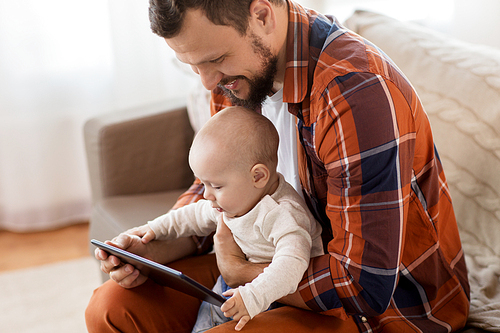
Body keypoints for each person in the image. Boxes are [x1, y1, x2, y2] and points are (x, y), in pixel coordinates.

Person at [86, 0, 471, 332]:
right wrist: (153, 251)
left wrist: (242, 276)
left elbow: (363, 286)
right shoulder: (238, 79)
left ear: (262, 16)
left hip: (383, 308)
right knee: (110, 309)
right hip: (265, 263)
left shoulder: (355, 94)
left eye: (215, 60)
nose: (207, 83)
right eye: (192, 64)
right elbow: (219, 193)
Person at [130, 106, 324, 331]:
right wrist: (153, 229)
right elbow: (193, 214)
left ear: (258, 176)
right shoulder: (234, 199)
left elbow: (292, 264)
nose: (206, 194)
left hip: (274, 296)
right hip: (232, 288)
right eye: (203, 184)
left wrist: (252, 296)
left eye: (216, 186)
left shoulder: (282, 214)